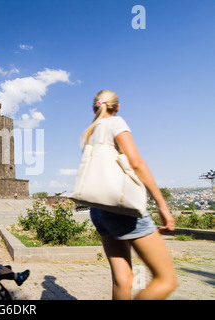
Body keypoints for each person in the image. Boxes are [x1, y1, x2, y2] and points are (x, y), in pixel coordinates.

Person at [80, 90, 178, 300]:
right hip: (123, 208)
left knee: (122, 279)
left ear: (95, 107)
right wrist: (161, 204)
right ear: (117, 106)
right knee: (166, 280)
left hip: (99, 209)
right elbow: (136, 163)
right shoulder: (116, 123)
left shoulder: (91, 132)